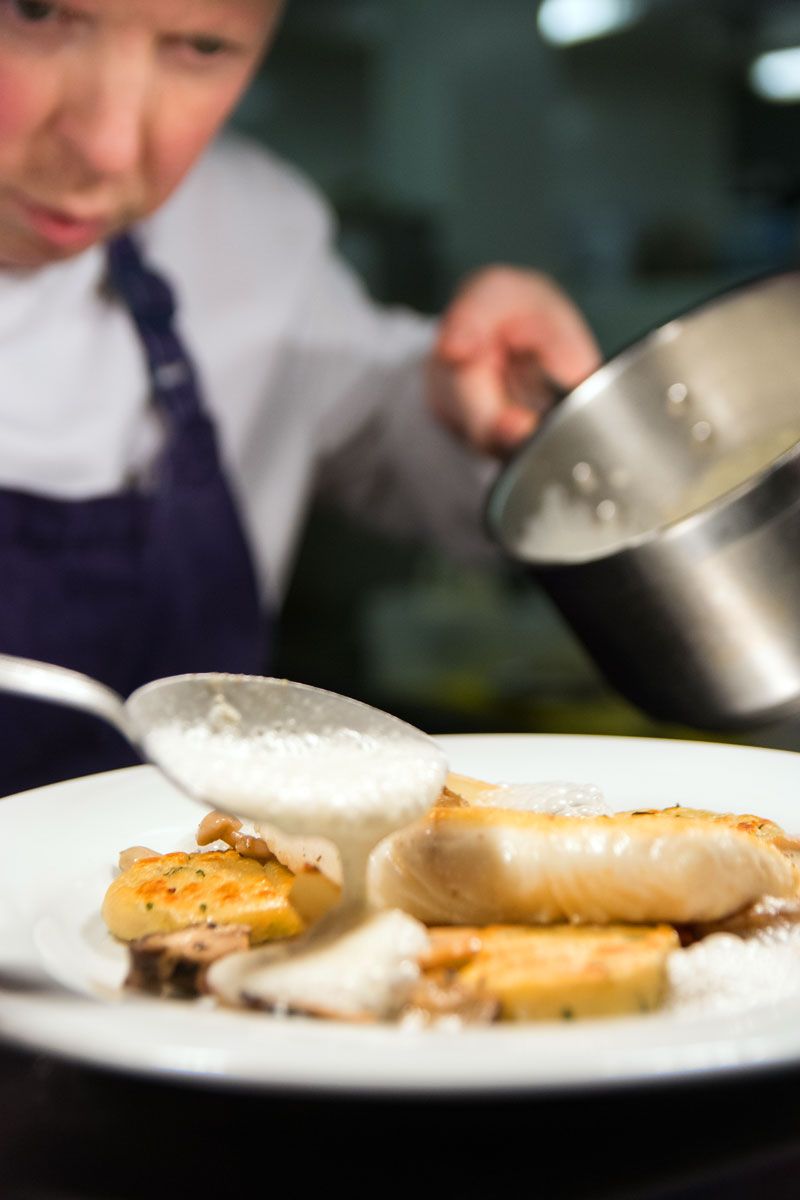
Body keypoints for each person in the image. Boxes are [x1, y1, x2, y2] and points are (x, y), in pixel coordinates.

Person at [0, 0, 600, 794]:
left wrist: (494, 388)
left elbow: (395, 422)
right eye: (38, 14)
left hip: (175, 898)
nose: (107, 145)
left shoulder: (254, 237)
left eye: (202, 46)